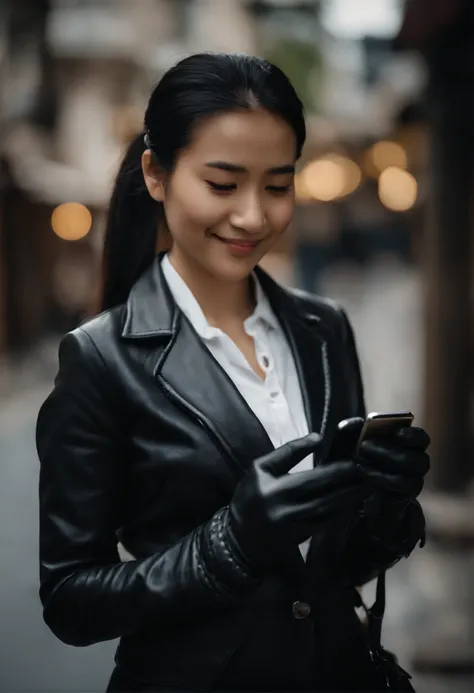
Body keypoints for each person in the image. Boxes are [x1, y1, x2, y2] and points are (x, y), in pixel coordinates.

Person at [36, 53, 430, 693]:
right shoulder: (100, 358)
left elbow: (334, 571)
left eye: (277, 186)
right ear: (156, 175)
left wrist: (387, 507)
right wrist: (229, 545)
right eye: (222, 184)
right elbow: (71, 600)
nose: (253, 216)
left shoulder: (323, 327)